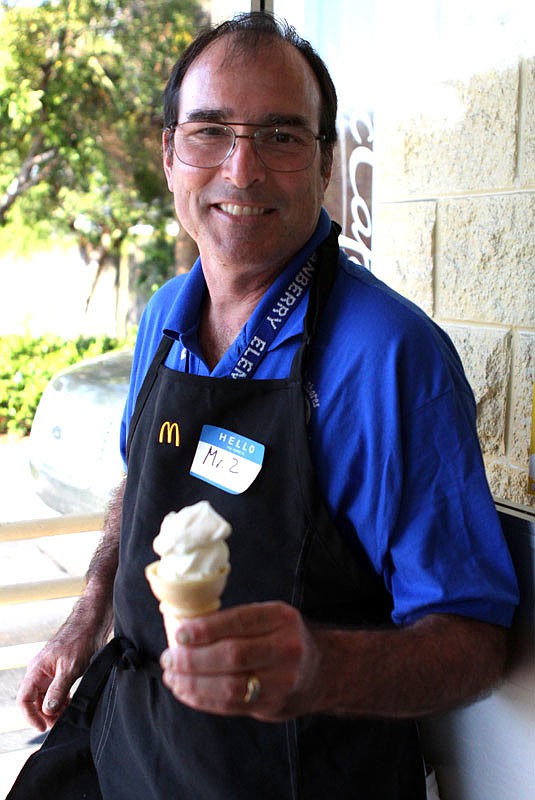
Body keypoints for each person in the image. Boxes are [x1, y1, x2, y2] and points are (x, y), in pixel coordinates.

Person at [16, 12, 518, 800]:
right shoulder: (164, 313)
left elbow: (474, 640)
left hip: (292, 771)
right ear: (169, 153)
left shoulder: (387, 358)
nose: (242, 171)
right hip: (132, 738)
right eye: (210, 130)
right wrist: (89, 614)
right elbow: (140, 487)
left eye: (281, 137)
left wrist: (322, 667)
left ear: (324, 164)